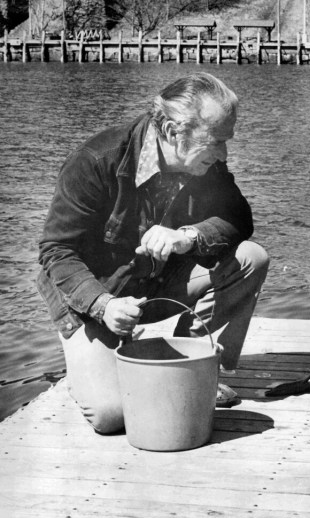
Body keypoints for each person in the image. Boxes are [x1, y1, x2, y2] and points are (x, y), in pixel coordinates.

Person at [37, 72, 270, 434]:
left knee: (251, 258)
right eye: (216, 142)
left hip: (152, 285)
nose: (224, 153)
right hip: (90, 298)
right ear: (174, 132)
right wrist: (103, 305)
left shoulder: (206, 163)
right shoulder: (96, 159)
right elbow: (56, 251)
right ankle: (87, 364)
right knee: (111, 415)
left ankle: (196, 361)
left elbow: (239, 219)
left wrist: (188, 237)